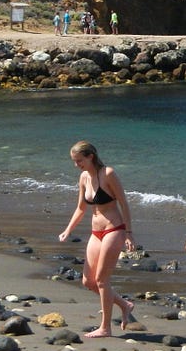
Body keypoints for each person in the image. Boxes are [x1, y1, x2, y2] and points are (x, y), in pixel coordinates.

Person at [58, 141, 136, 338]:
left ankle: (105, 327)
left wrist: (128, 233)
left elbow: (124, 204)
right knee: (88, 281)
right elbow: (81, 208)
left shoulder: (108, 173)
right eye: (74, 161)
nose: (77, 164)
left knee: (102, 280)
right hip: (96, 232)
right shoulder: (84, 177)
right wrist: (68, 230)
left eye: (79, 160)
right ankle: (125, 305)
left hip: (114, 228)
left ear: (90, 156)